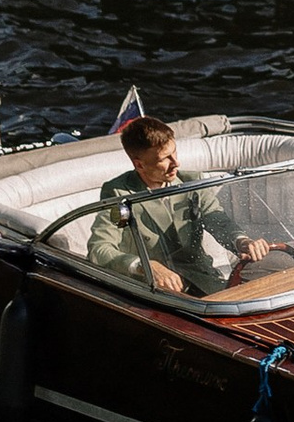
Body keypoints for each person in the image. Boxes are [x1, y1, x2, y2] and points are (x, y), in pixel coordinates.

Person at [84, 117, 281, 295]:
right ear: (140, 165)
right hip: (152, 291)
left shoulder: (192, 182)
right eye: (164, 158)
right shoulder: (119, 193)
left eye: (174, 152)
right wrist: (145, 266)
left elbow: (217, 220)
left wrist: (242, 241)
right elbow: (99, 248)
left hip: (204, 283)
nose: (176, 163)